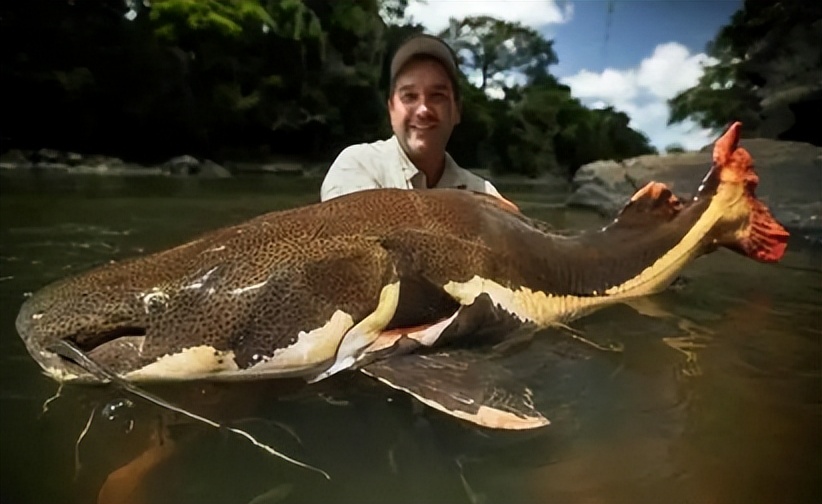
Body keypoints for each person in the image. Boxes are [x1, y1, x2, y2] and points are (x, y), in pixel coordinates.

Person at [320, 34, 507, 203]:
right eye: (409, 96)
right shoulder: (356, 166)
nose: (423, 110)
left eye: (437, 96)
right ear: (391, 109)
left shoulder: (485, 195)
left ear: (456, 110)